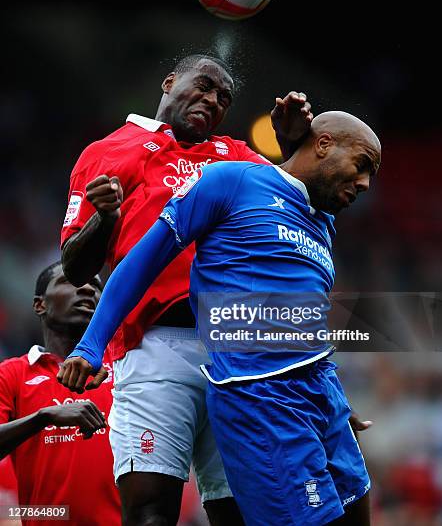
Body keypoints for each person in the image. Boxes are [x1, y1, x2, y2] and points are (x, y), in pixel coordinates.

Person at [58, 111, 381, 525]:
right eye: (361, 166)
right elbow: (141, 261)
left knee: (356, 513)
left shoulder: (322, 223)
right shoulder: (231, 180)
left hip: (318, 390)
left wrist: (329, 393)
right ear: (323, 145)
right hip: (257, 394)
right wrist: (91, 344)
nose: (365, 184)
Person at [0, 262, 121, 526]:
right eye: (71, 282)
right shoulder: (11, 374)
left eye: (96, 286)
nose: (88, 289)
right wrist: (43, 418)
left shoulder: (126, 366)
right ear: (39, 305)